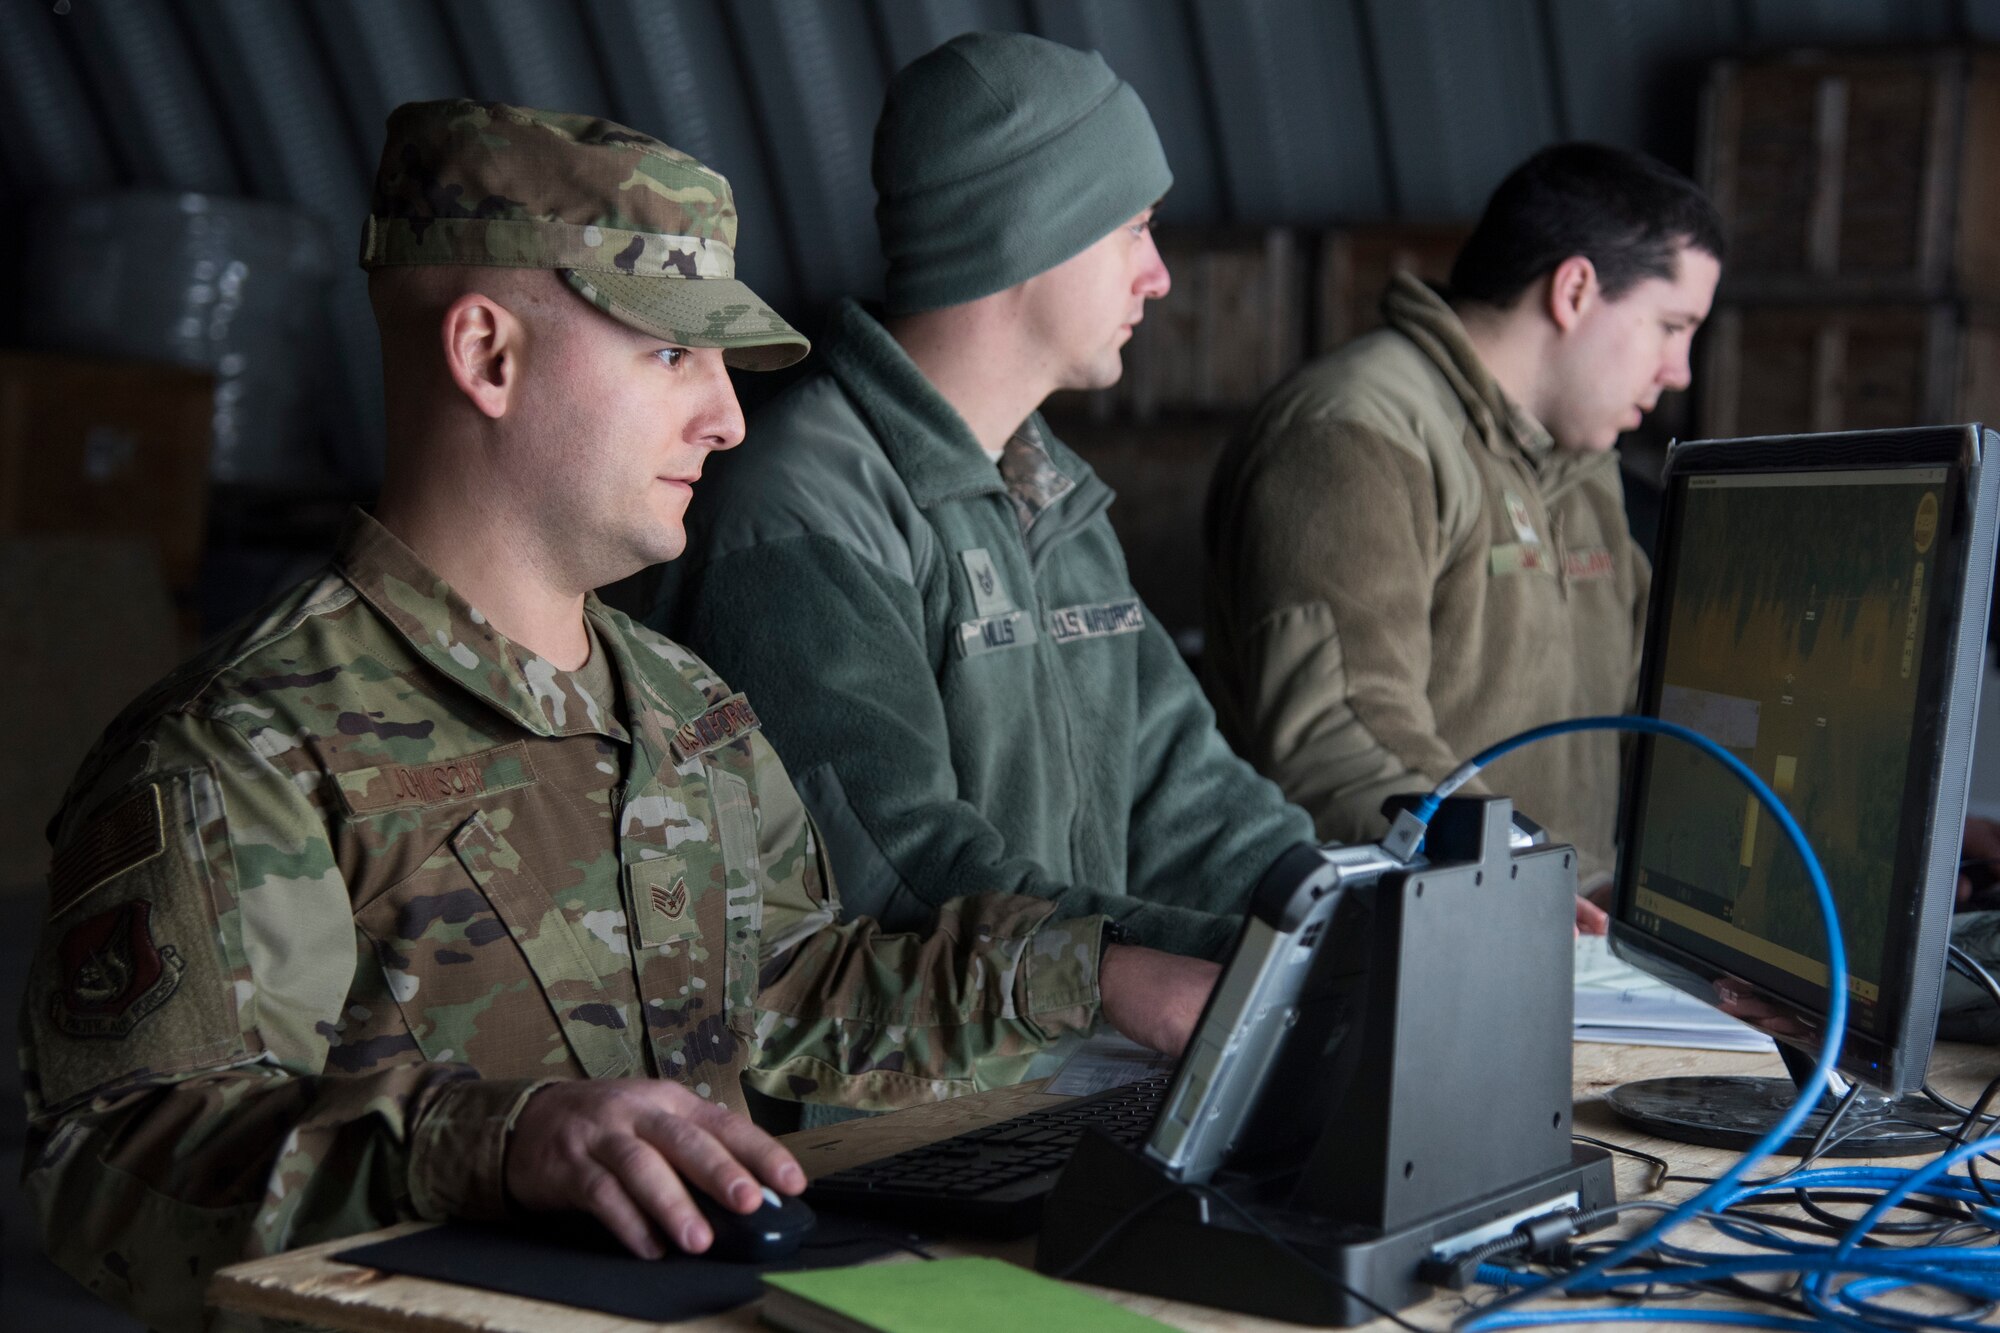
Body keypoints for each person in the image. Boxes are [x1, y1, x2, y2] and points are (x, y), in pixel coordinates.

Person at [19, 100, 1220, 1333]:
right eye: (670, 356)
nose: (728, 416)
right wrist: (496, 1141)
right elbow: (117, 1173)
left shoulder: (680, 705)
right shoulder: (240, 748)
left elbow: (787, 991)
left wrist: (1095, 979)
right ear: (489, 356)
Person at [651, 31, 1314, 979]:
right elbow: (897, 873)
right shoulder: (801, 510)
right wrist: (1238, 959)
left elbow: (1182, 789)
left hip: (1056, 1076)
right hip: (905, 1120)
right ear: (1033, 228)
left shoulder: (1049, 492)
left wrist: (1340, 904)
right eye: (1136, 226)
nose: (1159, 274)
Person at [1203, 144, 1724, 932]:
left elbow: (1652, 705)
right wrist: (1531, 880)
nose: (1680, 370)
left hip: (1555, 939)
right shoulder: (1354, 432)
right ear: (1576, 289)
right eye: (1671, 326)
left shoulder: (1581, 465)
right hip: (1393, 957)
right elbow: (1335, 740)